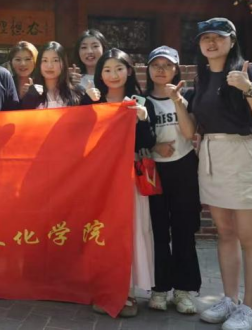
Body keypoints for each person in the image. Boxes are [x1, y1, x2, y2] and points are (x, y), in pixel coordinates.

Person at [191, 18, 252, 330]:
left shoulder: (247, 73)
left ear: (232, 41)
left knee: (250, 237)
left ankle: (250, 308)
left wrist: (249, 89)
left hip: (243, 155)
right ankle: (230, 299)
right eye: (206, 38)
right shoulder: (202, 77)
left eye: (218, 37)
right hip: (212, 156)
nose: (211, 43)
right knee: (225, 232)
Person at [91, 48, 156, 318]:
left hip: (129, 176)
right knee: (102, 231)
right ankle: (103, 287)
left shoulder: (140, 102)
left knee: (128, 230)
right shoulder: (93, 101)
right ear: (100, 74)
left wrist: (142, 119)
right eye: (107, 70)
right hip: (99, 178)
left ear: (129, 70)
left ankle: (126, 291)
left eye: (119, 68)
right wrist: (89, 106)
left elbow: (148, 142)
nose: (113, 75)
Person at [144, 46, 202, 314]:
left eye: (167, 65)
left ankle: (183, 290)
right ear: (148, 69)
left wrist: (177, 100)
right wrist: (155, 147)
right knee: (157, 230)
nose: (161, 70)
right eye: (156, 65)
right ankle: (159, 288)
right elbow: (138, 138)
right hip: (154, 171)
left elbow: (190, 133)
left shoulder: (187, 95)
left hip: (184, 167)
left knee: (183, 230)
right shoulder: (141, 101)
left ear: (176, 69)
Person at [21, 41, 95, 109]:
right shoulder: (33, 93)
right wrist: (30, 96)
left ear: (63, 64)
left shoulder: (77, 92)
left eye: (55, 60)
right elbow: (24, 116)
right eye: (45, 60)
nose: (49, 66)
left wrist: (88, 98)